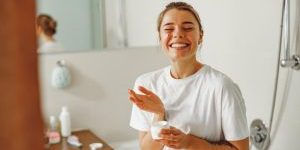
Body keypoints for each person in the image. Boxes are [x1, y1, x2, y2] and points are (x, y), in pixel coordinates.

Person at [128, 2, 249, 150]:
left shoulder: (222, 87)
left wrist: (190, 143)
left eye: (187, 28)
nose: (178, 34)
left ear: (201, 36)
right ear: (160, 37)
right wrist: (160, 115)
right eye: (168, 28)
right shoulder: (147, 84)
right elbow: (147, 148)